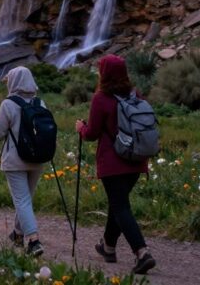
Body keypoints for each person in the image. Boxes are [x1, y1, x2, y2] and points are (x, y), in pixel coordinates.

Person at [76, 55, 156, 275]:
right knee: (117, 204)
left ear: (104, 73)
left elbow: (91, 133)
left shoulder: (101, 98)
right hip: (137, 159)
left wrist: (80, 128)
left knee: (120, 206)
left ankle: (142, 253)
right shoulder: (134, 94)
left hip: (113, 162)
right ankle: (108, 247)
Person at [0, 66, 46, 257]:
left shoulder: (8, 104)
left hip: (15, 160)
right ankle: (18, 234)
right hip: (38, 158)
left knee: (21, 200)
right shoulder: (40, 103)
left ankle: (34, 240)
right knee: (26, 200)